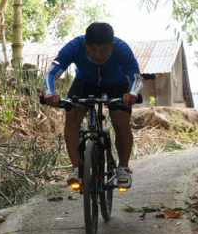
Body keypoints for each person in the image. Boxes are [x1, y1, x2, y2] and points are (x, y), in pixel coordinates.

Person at [42, 22, 142, 189]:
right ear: (85, 44)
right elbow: (51, 73)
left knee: (120, 120)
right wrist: (49, 94)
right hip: (85, 83)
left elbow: (136, 78)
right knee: (71, 116)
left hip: (117, 85)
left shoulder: (122, 49)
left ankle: (123, 168)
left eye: (104, 49)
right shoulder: (74, 46)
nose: (97, 55)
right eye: (93, 48)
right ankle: (76, 169)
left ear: (112, 45)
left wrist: (132, 94)